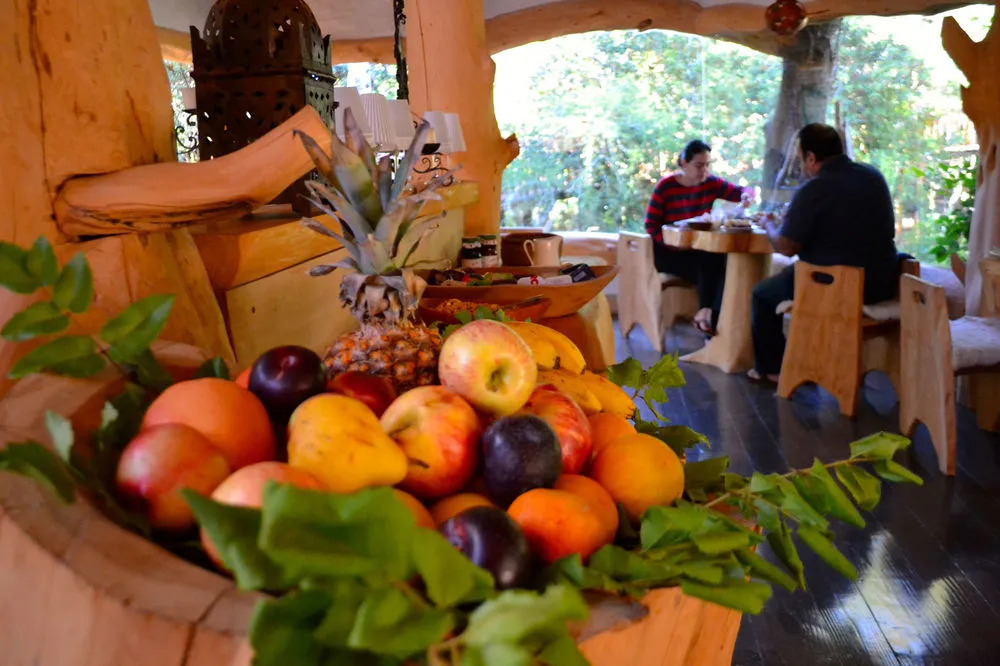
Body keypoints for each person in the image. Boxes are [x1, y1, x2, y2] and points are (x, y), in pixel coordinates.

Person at [749, 123, 900, 382]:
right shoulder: (873, 176)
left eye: (801, 158)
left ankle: (773, 370)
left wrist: (768, 224)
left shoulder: (815, 188)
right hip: (882, 282)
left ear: (811, 157)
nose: (802, 166)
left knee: (762, 295)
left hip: (837, 286)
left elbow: (786, 247)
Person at [644, 139, 754, 335]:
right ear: (684, 163)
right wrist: (674, 245)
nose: (704, 170)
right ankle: (710, 321)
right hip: (667, 252)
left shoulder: (711, 184)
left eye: (707, 165)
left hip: (696, 249)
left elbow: (742, 191)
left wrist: (747, 195)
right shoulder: (666, 187)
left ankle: (707, 316)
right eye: (699, 165)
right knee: (711, 267)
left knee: (721, 261)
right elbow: (651, 226)